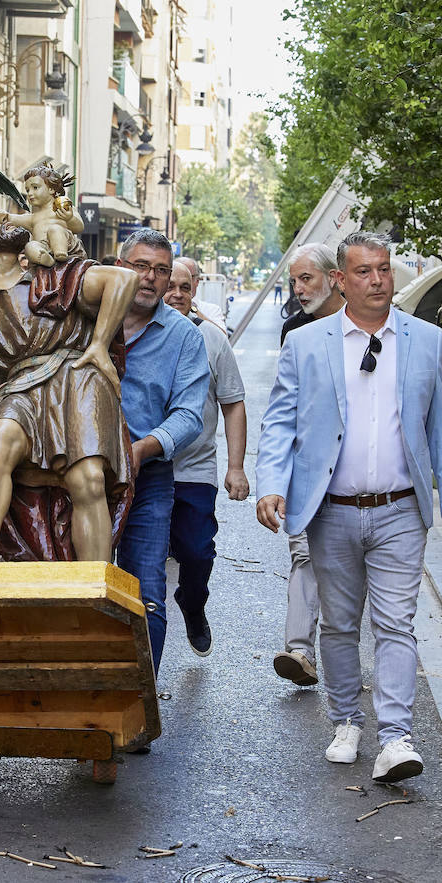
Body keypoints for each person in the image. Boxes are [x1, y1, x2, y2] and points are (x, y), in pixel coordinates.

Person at [255, 231, 442, 783]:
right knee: (342, 625)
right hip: (331, 509)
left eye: (384, 269)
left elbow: (440, 426)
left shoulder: (422, 340)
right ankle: (346, 719)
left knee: (397, 623)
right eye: (365, 272)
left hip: (400, 510)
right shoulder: (306, 343)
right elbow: (280, 421)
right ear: (342, 282)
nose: (377, 280)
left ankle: (397, 738)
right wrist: (270, 483)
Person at [0, 201, 138, 562]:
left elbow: (124, 280)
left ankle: (93, 580)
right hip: (18, 387)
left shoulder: (53, 277)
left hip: (77, 375)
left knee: (88, 478)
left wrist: (99, 344)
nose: (5, 215)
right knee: (1, 438)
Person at [114, 229, 209, 674]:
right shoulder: (81, 317)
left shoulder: (184, 338)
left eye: (161, 270)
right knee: (78, 581)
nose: (151, 279)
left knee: (145, 588)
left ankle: (138, 704)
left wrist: (142, 449)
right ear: (120, 267)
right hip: (75, 473)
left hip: (147, 476)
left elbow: (189, 416)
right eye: (141, 266)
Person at [163, 260, 247, 657]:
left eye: (185, 287)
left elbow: (233, 404)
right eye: (169, 284)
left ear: (194, 289)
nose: (176, 294)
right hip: (143, 469)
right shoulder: (128, 332)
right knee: (141, 562)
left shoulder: (212, 339)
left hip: (195, 470)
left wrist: (235, 467)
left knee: (196, 554)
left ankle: (192, 604)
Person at [272, 242, 346, 687]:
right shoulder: (293, 332)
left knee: (346, 569)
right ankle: (299, 650)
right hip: (307, 468)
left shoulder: (365, 326)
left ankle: (341, 656)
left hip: (355, 472)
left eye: (307, 279)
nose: (299, 289)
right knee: (303, 555)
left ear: (334, 278)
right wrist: (275, 481)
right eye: (294, 281)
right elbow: (284, 409)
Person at [173, 256, 226, 329]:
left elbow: (221, 338)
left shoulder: (212, 310)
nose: (178, 294)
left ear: (197, 281)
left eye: (188, 276)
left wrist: (192, 309)